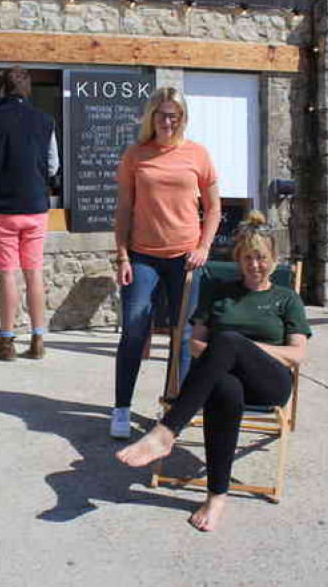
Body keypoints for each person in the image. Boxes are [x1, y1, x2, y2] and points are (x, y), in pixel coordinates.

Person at [116, 211, 311, 532]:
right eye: (248, 257)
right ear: (238, 258)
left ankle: (166, 431)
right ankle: (216, 497)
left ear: (274, 259)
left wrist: (243, 349)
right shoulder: (221, 292)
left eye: (261, 257)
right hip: (224, 377)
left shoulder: (286, 298)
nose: (255, 264)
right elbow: (195, 345)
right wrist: (228, 353)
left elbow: (296, 354)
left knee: (229, 341)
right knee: (224, 389)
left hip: (270, 382)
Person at [111, 86, 222, 439]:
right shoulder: (136, 155)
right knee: (133, 330)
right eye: (162, 114)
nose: (168, 121)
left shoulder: (198, 155)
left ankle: (176, 408)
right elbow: (124, 209)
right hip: (143, 256)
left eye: (175, 115)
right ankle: (121, 409)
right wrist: (122, 255)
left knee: (184, 334)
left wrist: (204, 246)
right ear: (151, 117)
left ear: (183, 118)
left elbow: (215, 207)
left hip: (186, 257)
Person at [0, 66, 59, 361]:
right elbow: (53, 166)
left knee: (7, 274)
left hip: (3, 208)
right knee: (34, 273)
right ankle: (37, 340)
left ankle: (6, 343)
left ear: (3, 89)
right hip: (36, 208)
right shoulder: (45, 121)